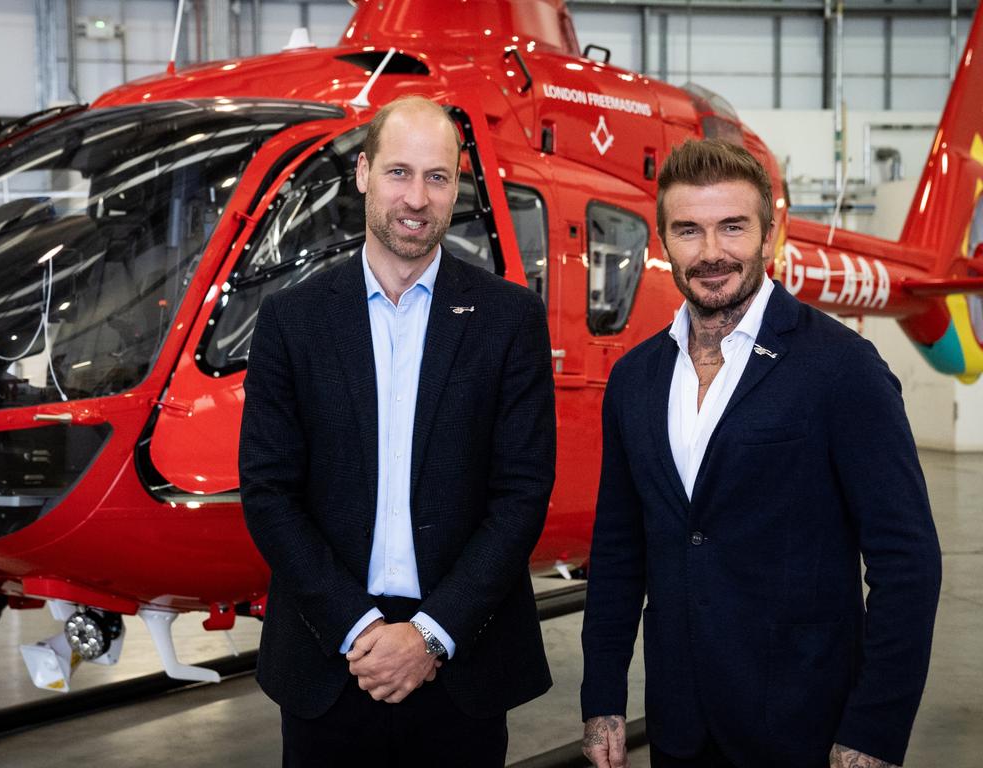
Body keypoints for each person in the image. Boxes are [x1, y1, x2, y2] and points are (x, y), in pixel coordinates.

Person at [580, 139, 942, 768]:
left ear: (771, 235)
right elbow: (617, 550)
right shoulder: (635, 378)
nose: (711, 252)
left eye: (733, 227)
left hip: (807, 729)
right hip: (680, 727)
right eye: (688, 230)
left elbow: (907, 563)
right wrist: (603, 695)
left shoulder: (842, 368)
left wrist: (873, 731)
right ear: (663, 240)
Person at [239, 95, 555, 767]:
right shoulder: (291, 322)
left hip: (461, 660)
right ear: (362, 173)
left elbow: (522, 494)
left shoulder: (509, 320)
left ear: (458, 185)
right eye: (399, 172)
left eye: (437, 177)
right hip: (331, 660)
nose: (417, 196)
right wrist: (358, 630)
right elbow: (268, 492)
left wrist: (432, 635)